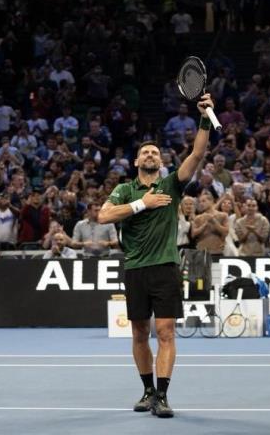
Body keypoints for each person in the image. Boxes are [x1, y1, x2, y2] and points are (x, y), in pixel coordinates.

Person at [98, 94, 213, 418]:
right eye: (145, 152)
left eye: (155, 153)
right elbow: (104, 216)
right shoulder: (124, 190)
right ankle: (147, 390)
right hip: (136, 268)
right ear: (136, 161)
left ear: (161, 162)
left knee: (165, 332)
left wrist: (205, 117)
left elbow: (197, 153)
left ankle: (162, 395)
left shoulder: (171, 184)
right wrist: (142, 204)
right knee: (139, 333)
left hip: (165, 267)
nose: (150, 155)